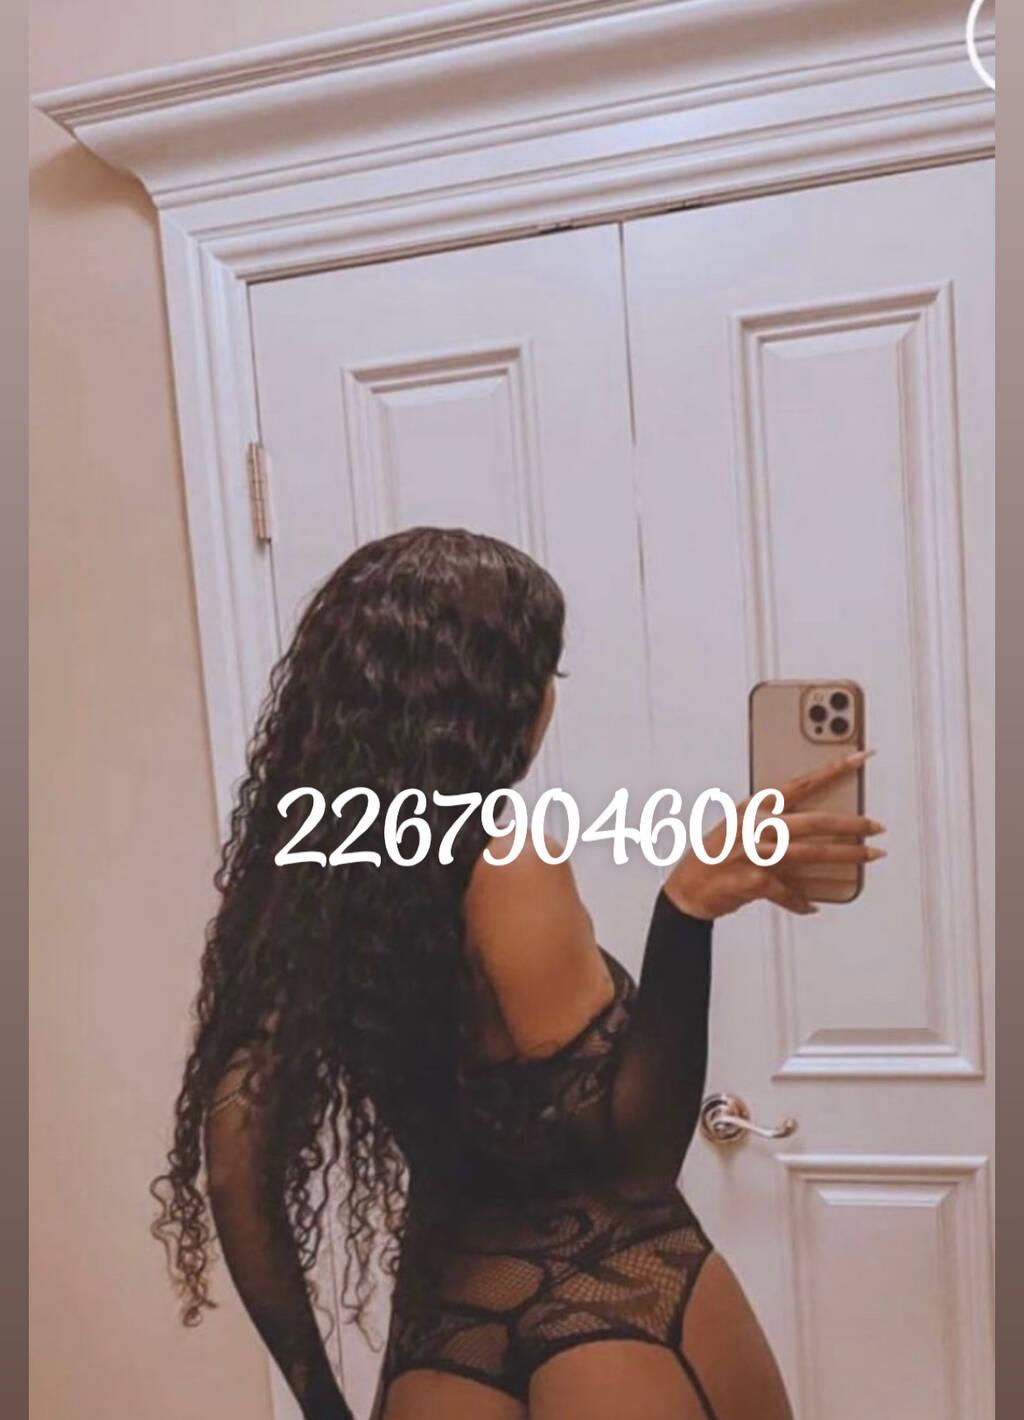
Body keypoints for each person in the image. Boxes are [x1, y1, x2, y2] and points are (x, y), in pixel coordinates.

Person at [152, 527, 885, 1419]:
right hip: (619, 1311)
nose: (548, 698)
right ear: (492, 697)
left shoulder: (311, 882)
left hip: (444, 1332)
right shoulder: (502, 858)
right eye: (545, 670)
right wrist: (686, 910)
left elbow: (235, 1163)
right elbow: (636, 1161)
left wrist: (319, 1400)